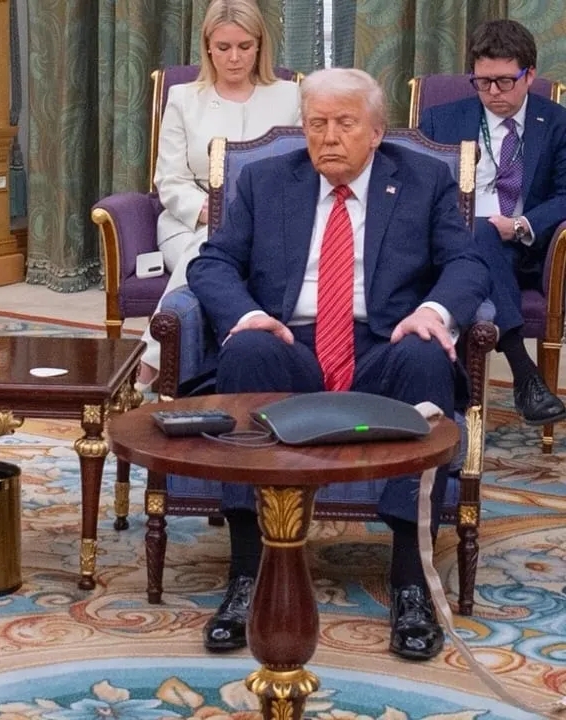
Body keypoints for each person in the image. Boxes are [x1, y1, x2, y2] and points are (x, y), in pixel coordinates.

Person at [186, 68, 490, 661]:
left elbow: (468, 264)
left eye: (345, 123)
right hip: (289, 342)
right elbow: (212, 262)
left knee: (426, 355)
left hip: (383, 343)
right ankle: (246, 574)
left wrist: (431, 312)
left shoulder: (423, 180)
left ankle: (410, 584)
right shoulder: (266, 181)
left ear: (376, 131)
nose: (328, 136)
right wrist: (248, 315)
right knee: (246, 351)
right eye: (316, 123)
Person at [138, 0, 302, 386]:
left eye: (244, 47)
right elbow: (170, 180)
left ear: (260, 46)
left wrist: (251, 218)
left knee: (213, 250)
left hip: (267, 227)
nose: (234, 58)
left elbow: (298, 172)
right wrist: (214, 214)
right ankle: (154, 366)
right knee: (208, 247)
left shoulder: (290, 96)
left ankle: (150, 371)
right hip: (189, 223)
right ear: (208, 47)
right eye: (223, 47)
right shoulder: (183, 98)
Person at [418, 19, 566, 426]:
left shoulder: (557, 123)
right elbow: (421, 190)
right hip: (452, 244)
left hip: (524, 248)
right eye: (483, 82)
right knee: (478, 231)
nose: (493, 93)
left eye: (504, 81)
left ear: (529, 75)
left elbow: (564, 195)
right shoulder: (439, 120)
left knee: (484, 233)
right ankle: (524, 372)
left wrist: (520, 225)